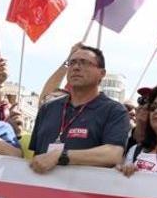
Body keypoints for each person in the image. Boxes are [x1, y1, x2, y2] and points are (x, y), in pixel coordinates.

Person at [28, 45, 129, 173]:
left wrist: (62, 156)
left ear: (102, 73)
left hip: (83, 191)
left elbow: (113, 154)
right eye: (72, 62)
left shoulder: (114, 111)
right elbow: (36, 155)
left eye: (84, 63)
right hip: (43, 188)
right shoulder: (48, 108)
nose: (76, 67)